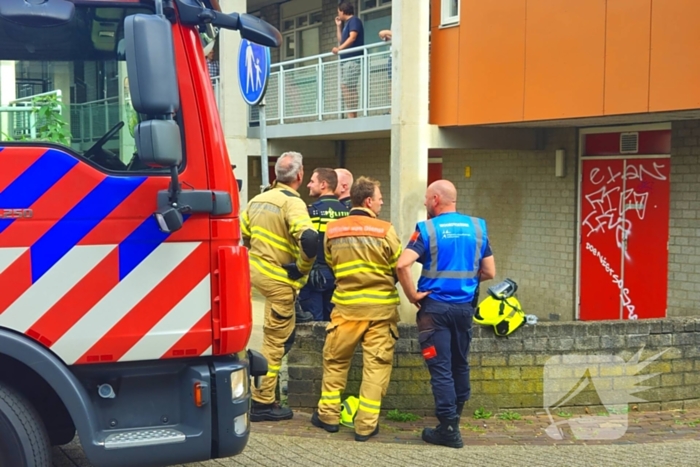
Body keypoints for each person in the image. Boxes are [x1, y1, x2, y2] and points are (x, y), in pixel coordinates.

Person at [396, 180, 496, 448]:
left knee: (440, 368)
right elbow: (489, 272)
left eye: (427, 199)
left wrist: (412, 296)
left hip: (435, 311)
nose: (425, 204)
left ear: (436, 199)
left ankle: (448, 429)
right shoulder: (478, 227)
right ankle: (455, 421)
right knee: (460, 364)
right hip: (464, 310)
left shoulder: (427, 229)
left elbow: (402, 265)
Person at [310, 177, 402, 442]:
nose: (383, 200)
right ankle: (365, 426)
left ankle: (328, 415)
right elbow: (397, 265)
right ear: (368, 201)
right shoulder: (385, 230)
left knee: (336, 362)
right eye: (380, 196)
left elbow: (330, 262)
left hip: (346, 309)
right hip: (380, 311)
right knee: (376, 366)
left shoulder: (334, 229)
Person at [240, 151, 319, 422]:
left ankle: (244, 393)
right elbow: (309, 239)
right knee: (275, 343)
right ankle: (263, 403)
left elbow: (243, 236)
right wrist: (301, 268)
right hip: (277, 282)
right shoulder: (292, 203)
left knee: (249, 339)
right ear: (300, 175)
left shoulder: (256, 200)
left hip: (250, 278)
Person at [297, 168, 350, 321]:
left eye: (312, 181)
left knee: (313, 322)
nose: (308, 185)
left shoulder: (313, 211)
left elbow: (309, 242)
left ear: (323, 185)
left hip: (316, 275)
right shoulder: (346, 212)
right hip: (338, 275)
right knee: (334, 321)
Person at [333, 2, 364, 118]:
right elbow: (342, 40)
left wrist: (339, 49)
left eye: (338, 12)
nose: (338, 14)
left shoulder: (354, 21)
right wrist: (338, 26)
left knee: (347, 86)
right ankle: (352, 113)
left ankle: (352, 114)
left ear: (342, 11)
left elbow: (352, 37)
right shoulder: (347, 24)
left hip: (352, 60)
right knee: (348, 86)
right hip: (346, 61)